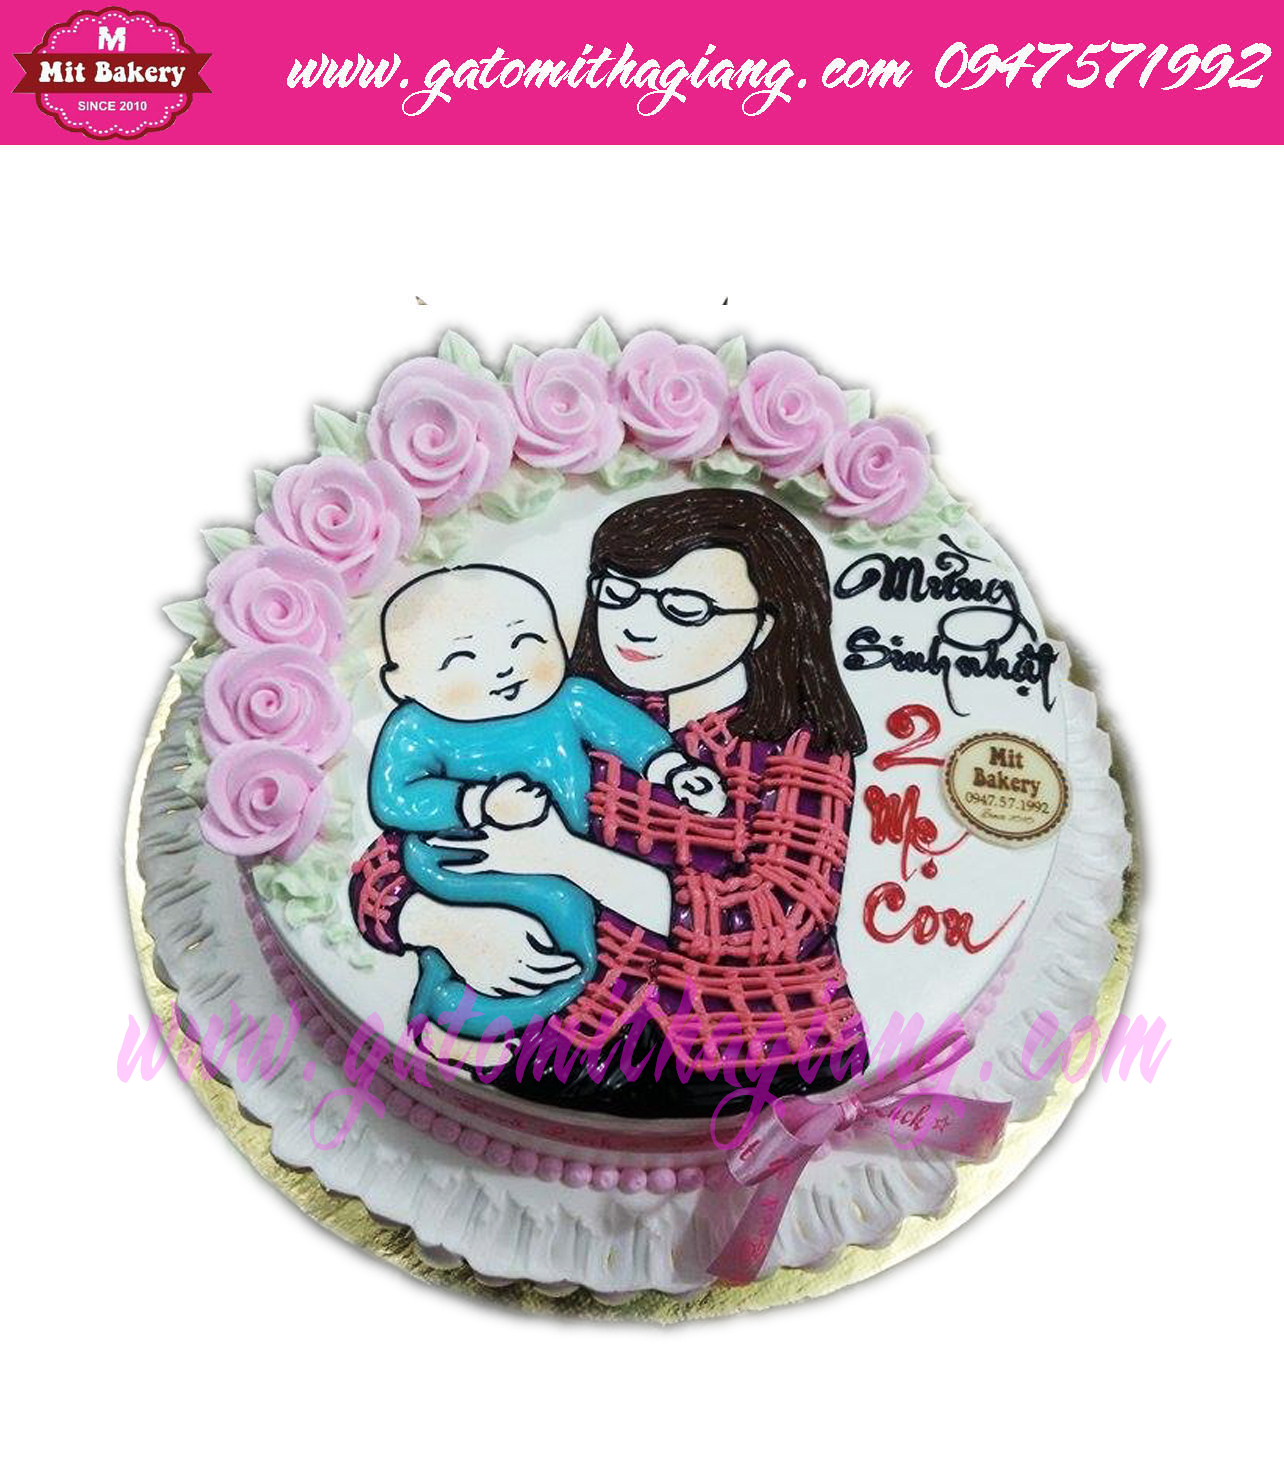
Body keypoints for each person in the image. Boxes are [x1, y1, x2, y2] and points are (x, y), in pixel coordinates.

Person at [353, 490, 870, 1114]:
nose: (638, 626)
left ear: (765, 623)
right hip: (569, 1034)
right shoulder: (563, 712)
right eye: (619, 594)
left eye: (685, 607)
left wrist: (564, 856)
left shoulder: (799, 745)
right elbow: (388, 861)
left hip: (753, 1048)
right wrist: (443, 926)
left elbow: (784, 917)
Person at [361, 563, 726, 1042]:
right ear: (400, 682)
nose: (503, 667)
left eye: (524, 641)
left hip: (554, 872)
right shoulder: (415, 727)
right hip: (455, 866)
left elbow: (626, 732)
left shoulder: (571, 699)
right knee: (467, 949)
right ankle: (446, 1019)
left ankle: (495, 1028)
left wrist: (673, 769)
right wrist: (477, 803)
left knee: (566, 938)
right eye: (463, 658)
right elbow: (393, 797)